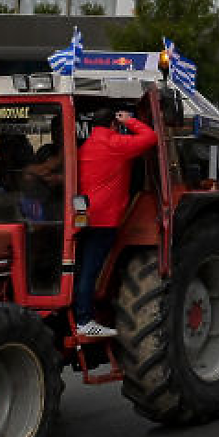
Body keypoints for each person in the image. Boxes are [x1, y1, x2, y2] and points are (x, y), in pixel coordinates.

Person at [71, 107, 158, 340]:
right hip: (107, 218)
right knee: (92, 270)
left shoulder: (85, 146)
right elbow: (150, 138)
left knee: (82, 269)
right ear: (113, 124)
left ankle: (79, 314)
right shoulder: (115, 144)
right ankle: (84, 319)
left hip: (84, 215)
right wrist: (130, 121)